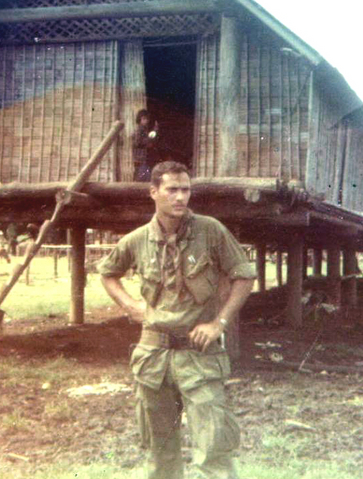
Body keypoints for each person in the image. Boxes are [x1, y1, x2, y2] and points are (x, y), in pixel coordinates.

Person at [98, 161, 256, 479]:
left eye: (185, 189)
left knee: (214, 450)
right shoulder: (137, 240)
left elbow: (244, 275)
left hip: (199, 357)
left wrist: (219, 323)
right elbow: (107, 272)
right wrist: (130, 306)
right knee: (160, 455)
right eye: (172, 189)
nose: (180, 197)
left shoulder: (210, 231)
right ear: (154, 192)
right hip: (153, 357)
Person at [133, 109, 159, 181]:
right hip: (141, 158)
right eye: (144, 119)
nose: (146, 121)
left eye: (147, 119)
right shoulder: (140, 129)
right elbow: (137, 142)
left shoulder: (144, 129)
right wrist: (151, 137)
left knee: (143, 175)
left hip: (142, 158)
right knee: (142, 176)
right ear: (139, 119)